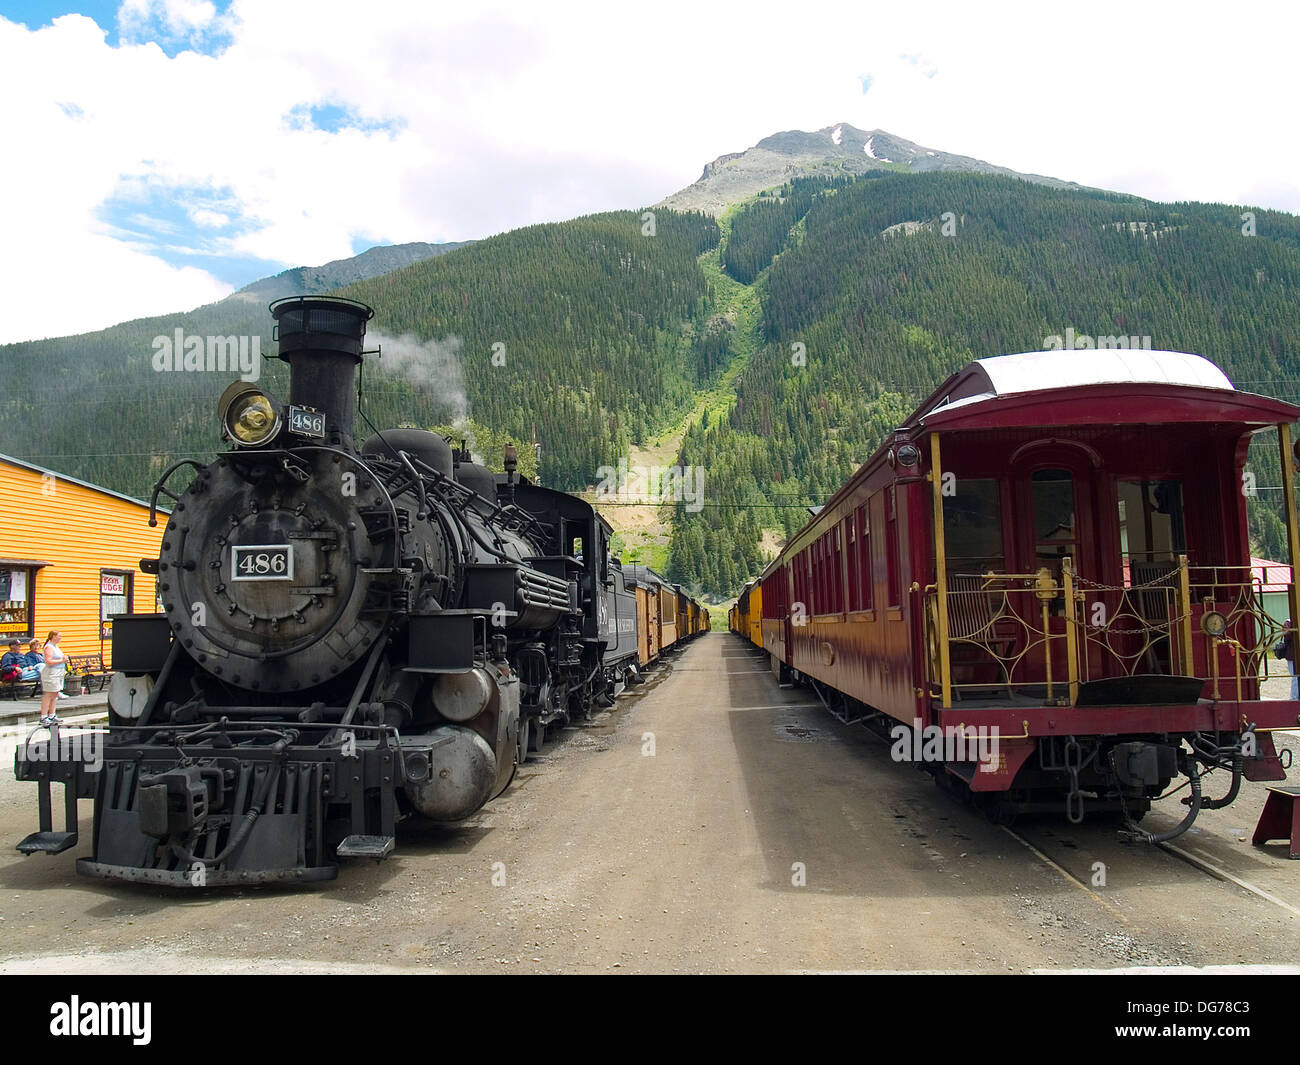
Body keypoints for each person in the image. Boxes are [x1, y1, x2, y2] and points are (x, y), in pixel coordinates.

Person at [39, 630, 65, 726]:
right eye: (59, 636)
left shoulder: (55, 647)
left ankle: (52, 714)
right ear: (53, 636)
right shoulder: (49, 647)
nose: (60, 638)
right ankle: (43, 716)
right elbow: (48, 661)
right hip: (51, 673)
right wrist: (61, 660)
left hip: (58, 672)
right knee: (49, 694)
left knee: (55, 694)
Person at [1274, 620, 1297, 700]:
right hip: (1292, 655)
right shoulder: (1288, 622)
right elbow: (1287, 636)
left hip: (1293, 655)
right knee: (1295, 677)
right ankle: (1293, 698)